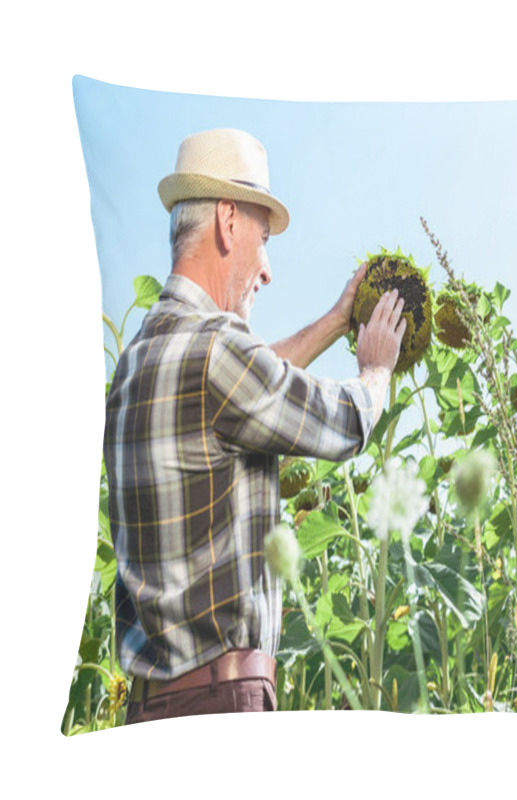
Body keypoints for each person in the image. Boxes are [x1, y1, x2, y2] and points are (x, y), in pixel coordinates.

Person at [105, 128, 406, 724]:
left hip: (146, 714)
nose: (266, 270)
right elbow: (336, 421)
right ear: (227, 222)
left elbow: (247, 387)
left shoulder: (138, 361)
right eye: (263, 240)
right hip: (219, 704)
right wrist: (374, 372)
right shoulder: (217, 353)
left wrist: (334, 320)